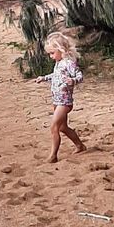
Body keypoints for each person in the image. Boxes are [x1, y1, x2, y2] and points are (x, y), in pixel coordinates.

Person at [36, 32, 86, 163]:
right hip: (57, 100)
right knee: (63, 127)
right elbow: (56, 75)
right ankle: (80, 145)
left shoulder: (69, 63)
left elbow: (80, 76)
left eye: (52, 53)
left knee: (54, 127)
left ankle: (53, 156)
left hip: (65, 101)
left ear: (61, 49)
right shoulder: (59, 63)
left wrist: (72, 81)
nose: (51, 57)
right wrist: (44, 78)